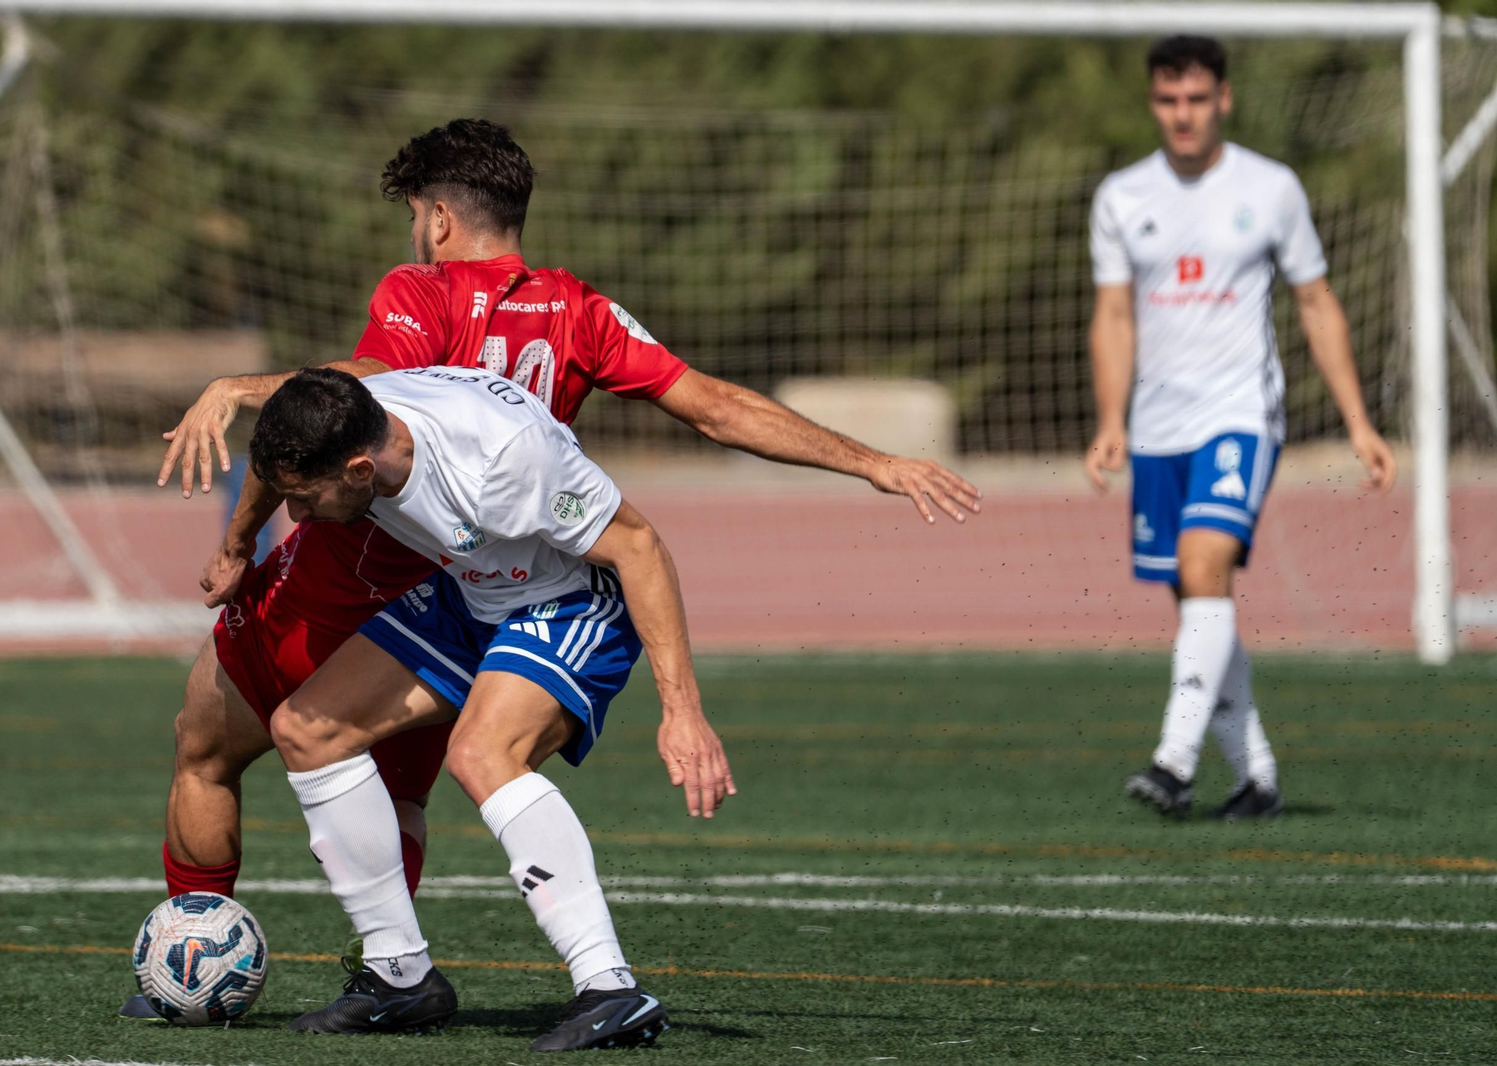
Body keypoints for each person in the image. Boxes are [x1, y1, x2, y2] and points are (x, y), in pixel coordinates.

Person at [126, 120, 980, 1017]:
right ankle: (397, 975)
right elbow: (717, 408)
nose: (415, 231)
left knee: (242, 744)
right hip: (454, 578)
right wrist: (872, 462)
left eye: (416, 213)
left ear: (441, 218)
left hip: (467, 573)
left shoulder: (421, 296)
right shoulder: (582, 310)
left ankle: (600, 985)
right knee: (329, 741)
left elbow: (371, 380)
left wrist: (240, 392)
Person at [249, 365, 731, 1051]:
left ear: (359, 468)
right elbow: (283, 447)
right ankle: (399, 976)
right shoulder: (350, 413)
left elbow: (638, 546)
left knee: (481, 754)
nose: (295, 516)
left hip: (568, 598)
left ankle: (610, 988)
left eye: (305, 498)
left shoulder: (503, 460)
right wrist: (238, 541)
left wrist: (682, 712)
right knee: (305, 730)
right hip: (471, 594)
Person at [1084, 36, 1395, 820]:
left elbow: (1316, 303)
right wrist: (1111, 420)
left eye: (1196, 99)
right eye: (1167, 100)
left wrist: (1358, 421)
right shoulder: (1123, 196)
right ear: (1153, 102)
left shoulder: (1272, 187)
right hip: (1157, 428)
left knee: (1205, 560)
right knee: (1196, 595)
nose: (1182, 115)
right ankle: (1256, 777)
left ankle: (1173, 761)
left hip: (1240, 416)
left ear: (1223, 98)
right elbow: (1114, 314)